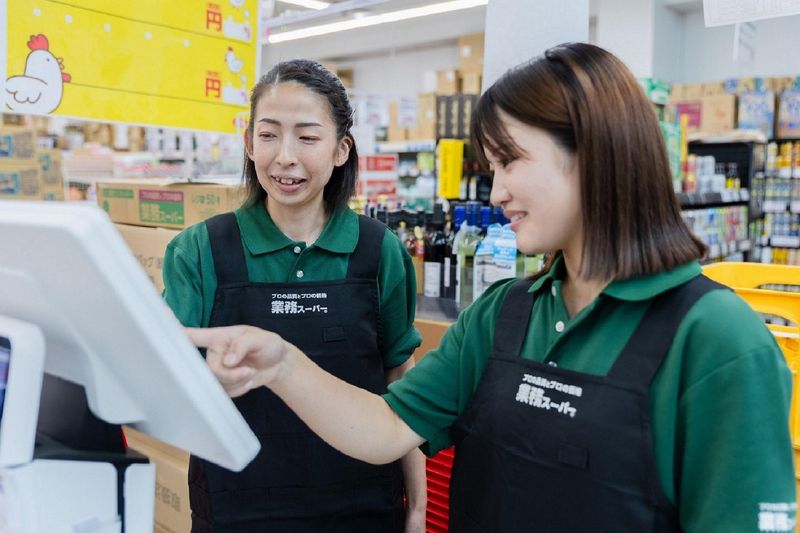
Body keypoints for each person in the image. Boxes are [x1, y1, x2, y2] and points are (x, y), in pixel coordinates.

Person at [185, 43, 797, 532]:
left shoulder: (717, 342)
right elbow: (382, 430)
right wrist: (283, 362)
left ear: (595, 156)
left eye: (511, 162)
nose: (497, 190)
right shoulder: (503, 314)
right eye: (491, 167)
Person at [162, 59, 426, 533]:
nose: (285, 156)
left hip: (363, 508)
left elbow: (398, 384)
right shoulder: (199, 250)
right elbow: (164, 384)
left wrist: (418, 508)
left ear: (341, 149)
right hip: (236, 510)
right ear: (248, 142)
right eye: (268, 135)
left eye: (307, 137)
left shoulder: (378, 250)